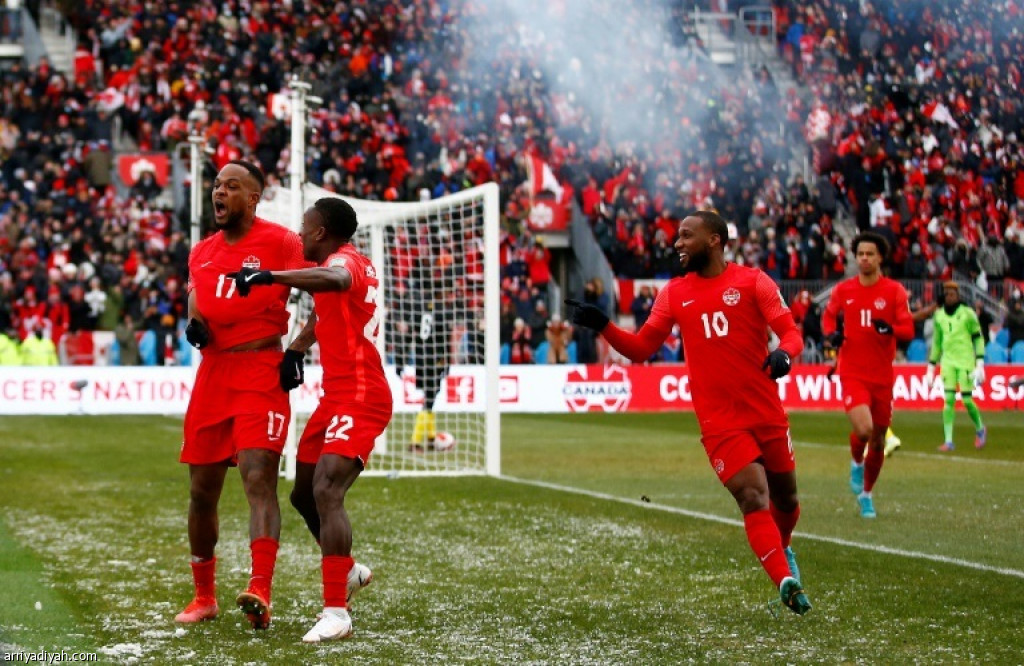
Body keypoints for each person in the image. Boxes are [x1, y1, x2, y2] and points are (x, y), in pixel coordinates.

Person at [566, 210, 811, 615]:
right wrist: (604, 325)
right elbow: (642, 348)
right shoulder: (674, 293)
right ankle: (785, 581)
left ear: (714, 240)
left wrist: (785, 353)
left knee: (787, 500)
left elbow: (791, 332)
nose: (677, 243)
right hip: (720, 422)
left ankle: (782, 550)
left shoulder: (754, 281)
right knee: (753, 495)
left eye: (686, 235)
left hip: (766, 411)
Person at [230, 197, 392, 643]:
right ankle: (349, 569)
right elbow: (325, 311)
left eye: (305, 226)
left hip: (361, 396)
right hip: (335, 397)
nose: (300, 233)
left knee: (326, 490)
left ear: (321, 232)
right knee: (303, 493)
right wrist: (297, 348)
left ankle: (337, 612)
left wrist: (269, 276)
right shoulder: (338, 264)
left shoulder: (345, 262)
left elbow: (335, 279)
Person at [175, 160, 308, 630]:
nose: (220, 192)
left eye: (232, 186)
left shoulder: (283, 242)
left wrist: (297, 348)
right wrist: (195, 323)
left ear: (253, 198)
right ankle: (204, 596)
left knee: (258, 476)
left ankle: (260, 590)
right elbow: (196, 296)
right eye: (217, 185)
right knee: (200, 490)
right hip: (213, 373)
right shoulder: (201, 251)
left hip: (261, 370)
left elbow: (321, 291)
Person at [822, 232, 914, 519]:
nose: (864, 258)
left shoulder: (894, 291)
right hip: (852, 372)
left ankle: (866, 495)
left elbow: (908, 329)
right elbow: (828, 317)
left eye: (869, 254)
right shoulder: (844, 290)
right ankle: (856, 462)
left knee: (878, 441)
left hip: (882, 376)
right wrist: (831, 335)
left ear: (880, 258)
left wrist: (892, 329)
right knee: (864, 430)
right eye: (860, 254)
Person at [924, 281, 987, 452]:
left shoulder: (968, 314)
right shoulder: (939, 316)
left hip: (966, 361)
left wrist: (980, 363)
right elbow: (937, 343)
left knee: (966, 400)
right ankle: (948, 441)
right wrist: (931, 367)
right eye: (946, 294)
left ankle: (980, 428)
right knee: (949, 400)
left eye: (952, 294)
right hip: (948, 362)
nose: (949, 297)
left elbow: (978, 338)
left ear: (958, 296)